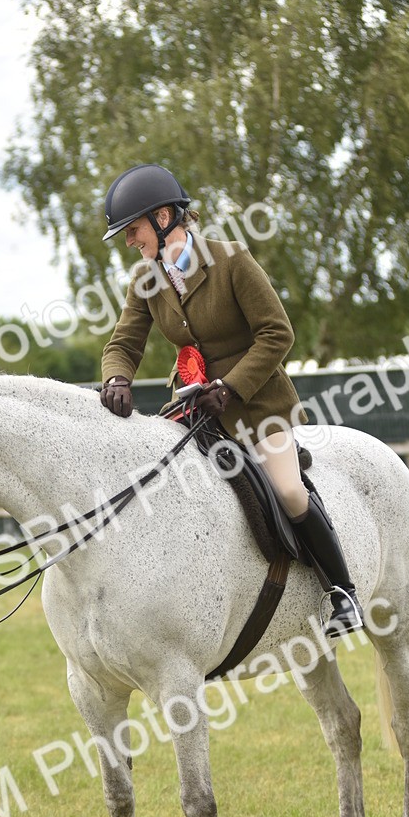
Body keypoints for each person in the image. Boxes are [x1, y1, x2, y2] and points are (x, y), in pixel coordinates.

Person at [99, 162, 362, 638]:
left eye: (133, 229)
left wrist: (231, 386)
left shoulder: (232, 260)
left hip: (257, 405)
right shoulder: (145, 279)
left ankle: (343, 593)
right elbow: (124, 344)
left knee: (288, 490)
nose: (129, 241)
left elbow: (277, 333)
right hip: (194, 409)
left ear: (163, 218)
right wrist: (116, 379)